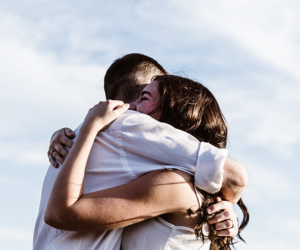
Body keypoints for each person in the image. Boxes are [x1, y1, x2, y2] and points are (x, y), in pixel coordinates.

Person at [33, 54, 244, 250]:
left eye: (143, 99)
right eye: (142, 96)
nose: (129, 108)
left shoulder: (175, 184)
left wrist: (225, 205)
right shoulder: (128, 131)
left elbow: (235, 177)